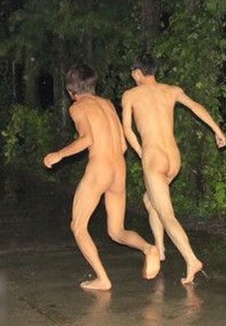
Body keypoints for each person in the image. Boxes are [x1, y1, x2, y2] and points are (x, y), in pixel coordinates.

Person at [43, 64, 160, 291]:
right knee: (116, 231)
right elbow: (123, 144)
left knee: (78, 226)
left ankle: (103, 279)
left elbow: (87, 139)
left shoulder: (78, 107)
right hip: (119, 169)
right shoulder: (107, 104)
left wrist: (58, 155)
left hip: (100, 169)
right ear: (93, 85)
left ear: (71, 92)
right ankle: (149, 248)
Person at [121, 54, 226, 285]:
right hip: (173, 158)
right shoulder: (171, 90)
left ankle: (191, 260)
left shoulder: (131, 95)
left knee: (167, 215)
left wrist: (142, 152)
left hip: (155, 158)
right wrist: (217, 130)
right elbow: (196, 107)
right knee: (150, 201)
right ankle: (160, 249)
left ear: (138, 72)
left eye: (132, 73)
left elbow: (127, 129)